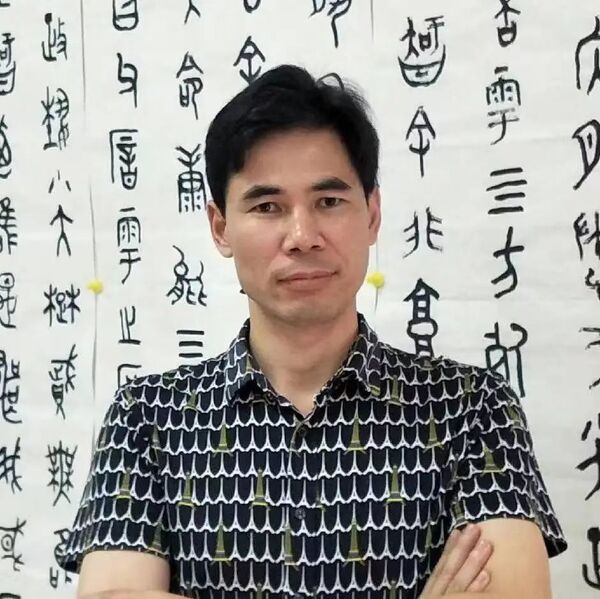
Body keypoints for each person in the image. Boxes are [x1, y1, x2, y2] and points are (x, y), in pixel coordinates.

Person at [57, 64, 567, 598]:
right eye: (268, 206)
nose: (302, 236)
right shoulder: (148, 418)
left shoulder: (472, 408)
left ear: (372, 214)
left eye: (328, 201)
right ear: (220, 227)